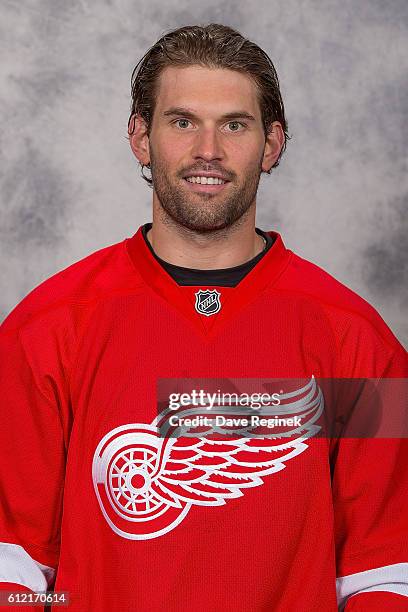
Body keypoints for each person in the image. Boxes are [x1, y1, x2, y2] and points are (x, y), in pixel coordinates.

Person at [0, 23, 407, 612]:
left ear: (272, 143)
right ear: (141, 137)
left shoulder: (360, 342)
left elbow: (386, 573)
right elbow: (12, 564)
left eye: (234, 125)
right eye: (182, 121)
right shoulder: (45, 330)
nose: (208, 151)